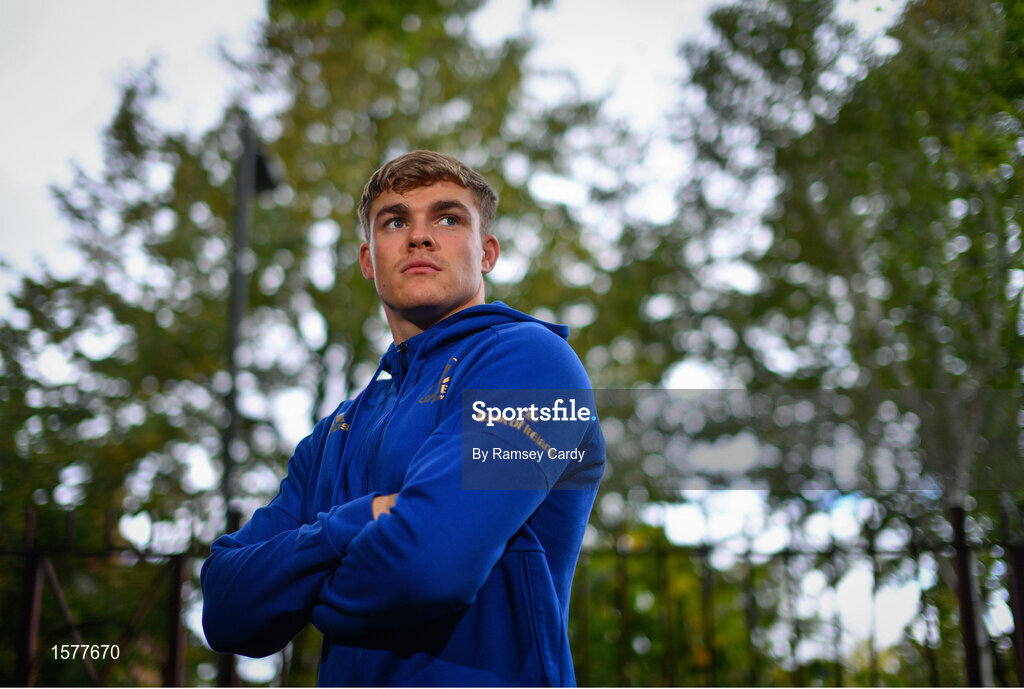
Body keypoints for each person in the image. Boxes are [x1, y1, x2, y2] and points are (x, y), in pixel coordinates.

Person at [201, 150, 605, 686]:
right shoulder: (333, 436)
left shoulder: (533, 363)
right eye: (395, 221)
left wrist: (306, 595)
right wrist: (360, 519)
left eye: (447, 218)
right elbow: (227, 609)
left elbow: (428, 568)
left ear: (487, 253)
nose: (420, 236)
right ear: (369, 261)